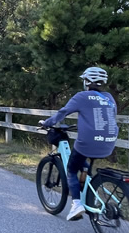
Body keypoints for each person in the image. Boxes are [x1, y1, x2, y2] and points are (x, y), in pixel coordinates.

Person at [40, 67, 118, 221]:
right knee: (82, 162)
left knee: (71, 168)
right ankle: (89, 187)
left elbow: (63, 112)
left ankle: (76, 204)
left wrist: (46, 123)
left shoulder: (82, 96)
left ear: (86, 81)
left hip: (88, 143)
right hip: (109, 142)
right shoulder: (109, 97)